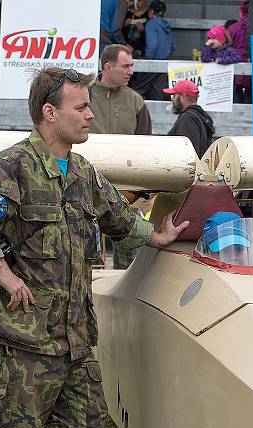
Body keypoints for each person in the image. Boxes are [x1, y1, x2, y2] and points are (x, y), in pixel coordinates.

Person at [0, 66, 188, 428]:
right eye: (81, 107)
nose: (89, 115)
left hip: (73, 332)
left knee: (92, 416)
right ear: (49, 112)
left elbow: (119, 219)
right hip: (19, 331)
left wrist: (157, 237)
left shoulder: (81, 173)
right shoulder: (10, 167)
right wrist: (2, 271)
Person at [89, 44, 153, 269]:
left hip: (125, 196)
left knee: (128, 262)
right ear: (108, 67)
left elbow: (146, 149)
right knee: (86, 260)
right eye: (126, 66)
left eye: (132, 66)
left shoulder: (136, 101)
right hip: (85, 188)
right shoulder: (82, 95)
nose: (131, 71)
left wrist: (139, 195)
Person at [163, 80, 215, 158]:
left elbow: (188, 155)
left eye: (174, 95)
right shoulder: (199, 116)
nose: (172, 99)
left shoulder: (187, 119)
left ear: (183, 97)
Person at [227, 0, 252, 103]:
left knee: (236, 90)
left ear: (241, 12)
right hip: (250, 60)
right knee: (250, 92)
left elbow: (227, 45)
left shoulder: (233, 28)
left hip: (236, 61)